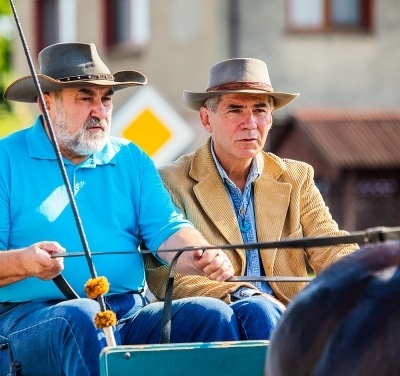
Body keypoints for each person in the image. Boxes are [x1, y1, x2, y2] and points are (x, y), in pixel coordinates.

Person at [0, 42, 242, 376]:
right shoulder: (3, 160)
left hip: (123, 312)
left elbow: (167, 230)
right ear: (47, 103)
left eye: (105, 99)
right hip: (18, 326)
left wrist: (200, 253)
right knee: (80, 318)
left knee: (213, 316)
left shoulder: (129, 159)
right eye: (84, 97)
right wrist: (23, 261)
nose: (100, 110)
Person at [146, 58, 358, 336]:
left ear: (271, 117)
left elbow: (329, 245)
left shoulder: (297, 177)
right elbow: (166, 278)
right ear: (206, 119)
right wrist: (246, 294)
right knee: (259, 312)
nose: (250, 123)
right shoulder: (169, 181)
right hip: (223, 326)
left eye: (260, 110)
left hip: (293, 321)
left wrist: (367, 270)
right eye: (235, 110)